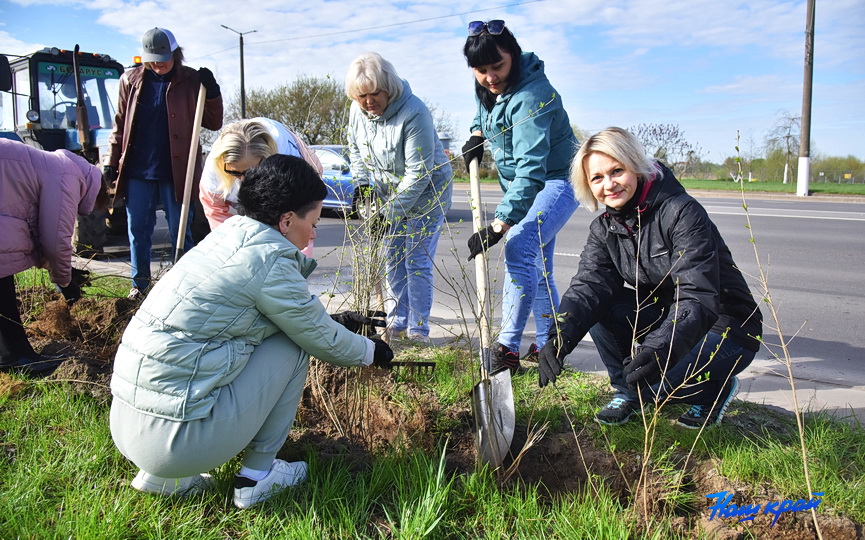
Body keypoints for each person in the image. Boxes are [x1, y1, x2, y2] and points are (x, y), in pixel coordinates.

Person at [109, 154, 394, 509]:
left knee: (278, 336)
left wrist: (335, 319)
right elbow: (317, 339)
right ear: (287, 219)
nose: (315, 232)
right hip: (177, 442)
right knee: (294, 347)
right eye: (315, 221)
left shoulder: (229, 235)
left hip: (126, 428)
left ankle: (163, 477)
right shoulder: (270, 261)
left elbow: (257, 316)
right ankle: (256, 479)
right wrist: (373, 351)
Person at [537, 127, 763, 429]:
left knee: (658, 388)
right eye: (597, 178)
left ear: (635, 165)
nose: (609, 184)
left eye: (617, 170)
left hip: (724, 326)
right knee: (603, 304)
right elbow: (588, 287)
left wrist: (658, 350)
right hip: (670, 317)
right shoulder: (605, 229)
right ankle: (628, 392)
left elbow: (697, 297)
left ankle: (714, 391)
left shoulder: (682, 212)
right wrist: (558, 338)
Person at [462, 20, 579, 372]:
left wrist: (499, 224)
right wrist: (477, 133)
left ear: (512, 54)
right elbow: (485, 109)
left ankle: (506, 348)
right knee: (538, 267)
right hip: (526, 186)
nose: (490, 76)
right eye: (481, 70)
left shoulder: (532, 96)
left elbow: (531, 170)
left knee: (519, 248)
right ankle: (550, 346)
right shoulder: (489, 85)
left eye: (497, 66)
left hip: (557, 182)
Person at [105, 27, 223, 299]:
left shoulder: (192, 80)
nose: (158, 64)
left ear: (176, 54)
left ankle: (186, 288)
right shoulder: (130, 80)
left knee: (180, 230)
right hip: (137, 169)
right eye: (152, 58)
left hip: (177, 170)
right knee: (138, 230)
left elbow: (214, 123)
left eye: (163, 58)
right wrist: (112, 161)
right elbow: (120, 124)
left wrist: (213, 91)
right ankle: (139, 286)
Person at [345, 52, 453, 343]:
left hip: (428, 195)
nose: (368, 102)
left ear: (388, 87)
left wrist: (386, 215)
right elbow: (355, 149)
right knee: (391, 257)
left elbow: (419, 172)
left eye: (374, 93)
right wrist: (362, 186)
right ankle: (396, 320)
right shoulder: (358, 112)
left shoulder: (414, 112)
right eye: (361, 96)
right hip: (388, 195)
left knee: (416, 260)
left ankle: (418, 329)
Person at [0, 139, 110, 375]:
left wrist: (61, 271)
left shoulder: (57, 165)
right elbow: (55, 239)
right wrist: (64, 280)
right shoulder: (67, 177)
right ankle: (16, 357)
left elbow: (36, 230)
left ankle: (14, 354)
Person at [199, 117, 322, 257]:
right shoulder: (214, 170)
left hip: (295, 187)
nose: (244, 179)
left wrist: (293, 261)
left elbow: (301, 222)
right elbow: (215, 211)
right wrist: (233, 248)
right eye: (235, 173)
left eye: (250, 172)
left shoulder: (288, 161)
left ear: (266, 159)